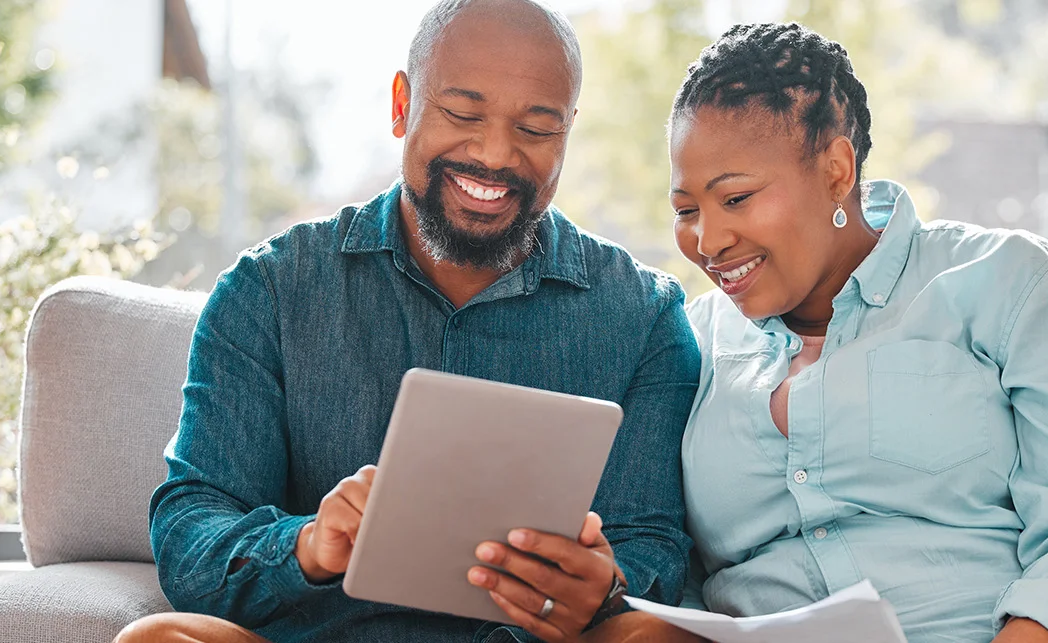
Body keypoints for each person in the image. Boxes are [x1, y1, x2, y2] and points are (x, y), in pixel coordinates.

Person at [113, 1, 699, 642]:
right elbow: (193, 522)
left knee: (657, 638)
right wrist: (307, 545)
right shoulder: (271, 289)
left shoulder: (643, 316)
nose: (495, 154)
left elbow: (656, 547)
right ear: (402, 105)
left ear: (568, 132)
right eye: (462, 114)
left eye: (536, 128)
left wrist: (606, 587)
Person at [633, 22, 1048, 643]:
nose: (708, 240)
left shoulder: (1015, 285)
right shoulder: (690, 342)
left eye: (736, 199)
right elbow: (679, 575)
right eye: (685, 210)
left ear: (836, 170)